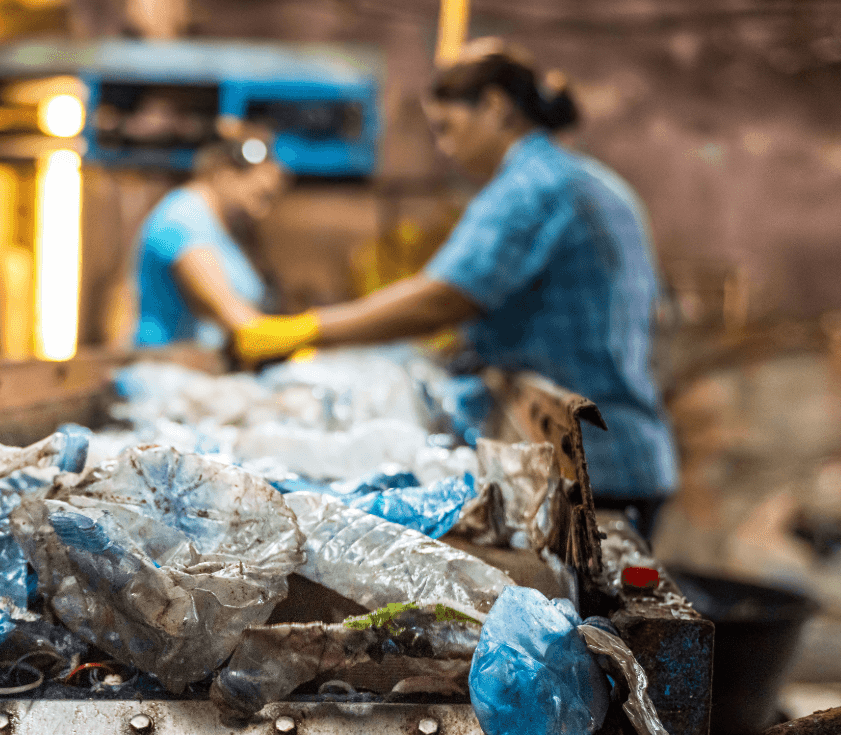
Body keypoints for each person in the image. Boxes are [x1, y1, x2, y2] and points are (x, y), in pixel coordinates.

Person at [233, 43, 677, 534]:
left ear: (494, 107)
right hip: (621, 448)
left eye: (447, 127)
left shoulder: (533, 185)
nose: (443, 147)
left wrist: (306, 330)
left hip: (594, 464)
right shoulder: (588, 179)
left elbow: (444, 297)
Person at [131, 128, 291, 351]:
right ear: (224, 174)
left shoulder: (225, 227)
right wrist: (322, 329)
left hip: (202, 368)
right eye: (260, 195)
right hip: (166, 369)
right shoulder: (182, 219)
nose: (261, 213)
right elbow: (238, 321)